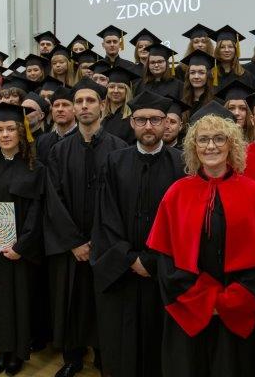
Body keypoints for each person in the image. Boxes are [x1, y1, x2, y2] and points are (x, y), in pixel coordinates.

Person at [142, 102, 255, 376]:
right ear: (193, 146)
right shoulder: (176, 193)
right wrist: (203, 301)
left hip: (237, 309)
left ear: (232, 144)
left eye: (219, 138)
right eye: (203, 139)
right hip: (188, 306)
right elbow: (166, 260)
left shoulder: (254, 193)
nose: (211, 146)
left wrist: (229, 301)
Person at [0, 102, 63, 376]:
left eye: (10, 129)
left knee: (18, 302)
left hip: (18, 252)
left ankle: (17, 352)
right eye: (0, 130)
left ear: (21, 132)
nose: (5, 135)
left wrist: (22, 246)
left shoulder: (35, 169)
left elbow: (37, 213)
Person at [93, 90, 186, 377]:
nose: (148, 126)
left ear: (166, 123)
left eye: (155, 120)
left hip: (163, 270)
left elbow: (184, 222)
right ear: (132, 123)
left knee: (160, 341)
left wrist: (152, 260)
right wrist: (129, 258)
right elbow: (105, 216)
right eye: (141, 120)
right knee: (122, 341)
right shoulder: (114, 162)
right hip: (122, 269)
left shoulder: (182, 164)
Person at [45, 79, 130, 376]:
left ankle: (106, 356)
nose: (84, 106)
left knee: (105, 301)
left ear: (103, 106)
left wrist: (100, 241)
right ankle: (73, 357)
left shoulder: (120, 149)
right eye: (78, 101)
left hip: (106, 246)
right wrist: (74, 242)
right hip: (72, 246)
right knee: (72, 301)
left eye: (90, 100)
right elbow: (53, 199)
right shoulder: (59, 151)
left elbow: (122, 202)